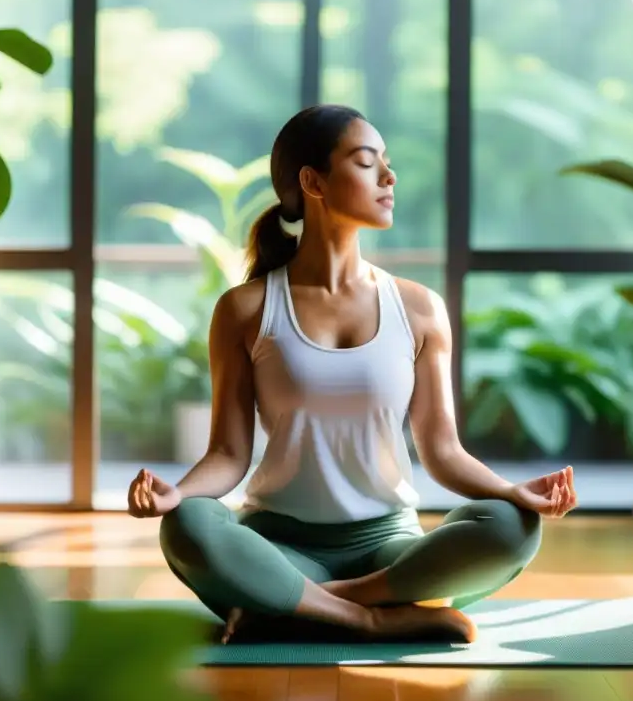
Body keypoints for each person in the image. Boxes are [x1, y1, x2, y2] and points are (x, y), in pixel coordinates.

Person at [126, 105, 579, 644]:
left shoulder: (419, 308)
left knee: (511, 528)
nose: (389, 178)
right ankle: (368, 617)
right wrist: (174, 496)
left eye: (386, 164)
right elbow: (228, 455)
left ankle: (290, 606)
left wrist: (514, 492)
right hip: (280, 546)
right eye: (368, 164)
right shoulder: (245, 309)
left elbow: (442, 451)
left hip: (390, 552)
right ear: (313, 182)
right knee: (189, 526)